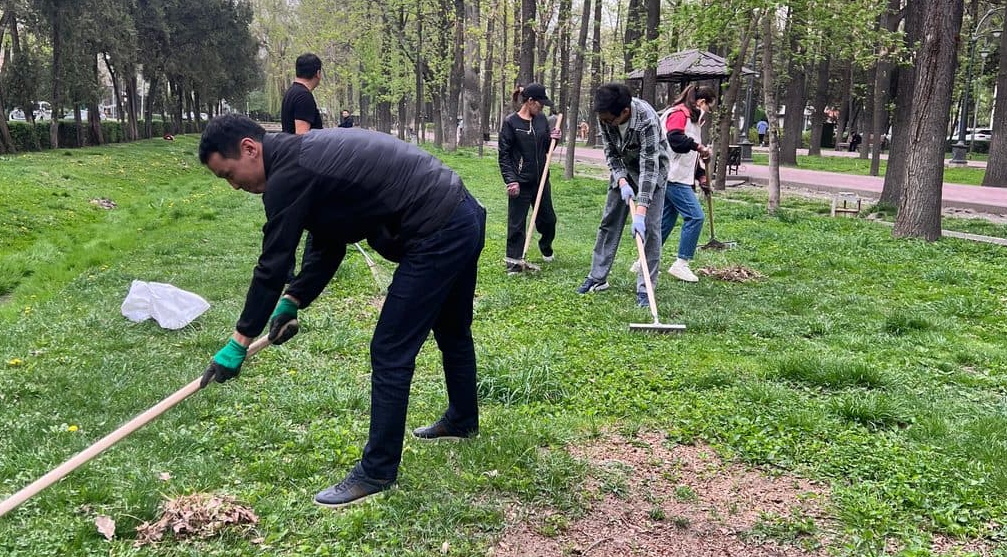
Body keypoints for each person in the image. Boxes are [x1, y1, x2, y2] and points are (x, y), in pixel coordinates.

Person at [198, 116, 486, 508]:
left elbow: (272, 264)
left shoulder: (290, 172)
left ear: (249, 148)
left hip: (438, 227)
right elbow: (328, 241)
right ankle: (462, 419)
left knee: (390, 349)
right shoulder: (300, 158)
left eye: (229, 174)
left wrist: (239, 341)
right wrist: (293, 300)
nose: (234, 185)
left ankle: (377, 471)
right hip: (462, 213)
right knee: (452, 330)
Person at [576, 83, 667, 308]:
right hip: (623, 170)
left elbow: (649, 167)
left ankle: (646, 288)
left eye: (608, 119)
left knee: (651, 230)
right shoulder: (605, 114)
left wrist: (641, 210)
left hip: (653, 172)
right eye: (602, 119)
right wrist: (622, 180)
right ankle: (597, 277)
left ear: (625, 112)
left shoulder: (646, 119)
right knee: (609, 222)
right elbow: (610, 152)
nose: (604, 122)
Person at [497, 82, 561, 270]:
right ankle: (514, 263)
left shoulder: (541, 120)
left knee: (549, 220)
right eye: (540, 103)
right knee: (516, 224)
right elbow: (504, 155)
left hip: (541, 180)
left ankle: (545, 245)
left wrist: (553, 140)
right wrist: (511, 180)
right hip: (520, 182)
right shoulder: (511, 123)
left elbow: (546, 148)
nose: (542, 107)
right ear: (530, 101)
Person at [658, 81, 716, 283]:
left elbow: (689, 157)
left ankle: (644, 260)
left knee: (666, 221)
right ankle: (681, 264)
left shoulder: (692, 120)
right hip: (672, 176)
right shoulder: (679, 114)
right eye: (709, 106)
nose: (708, 111)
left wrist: (701, 176)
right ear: (701, 102)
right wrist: (699, 147)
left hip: (680, 175)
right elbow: (675, 140)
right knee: (695, 217)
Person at [281, 53, 324, 134]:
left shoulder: (291, 92)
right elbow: (302, 135)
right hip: (300, 146)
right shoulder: (303, 96)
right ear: (318, 73)